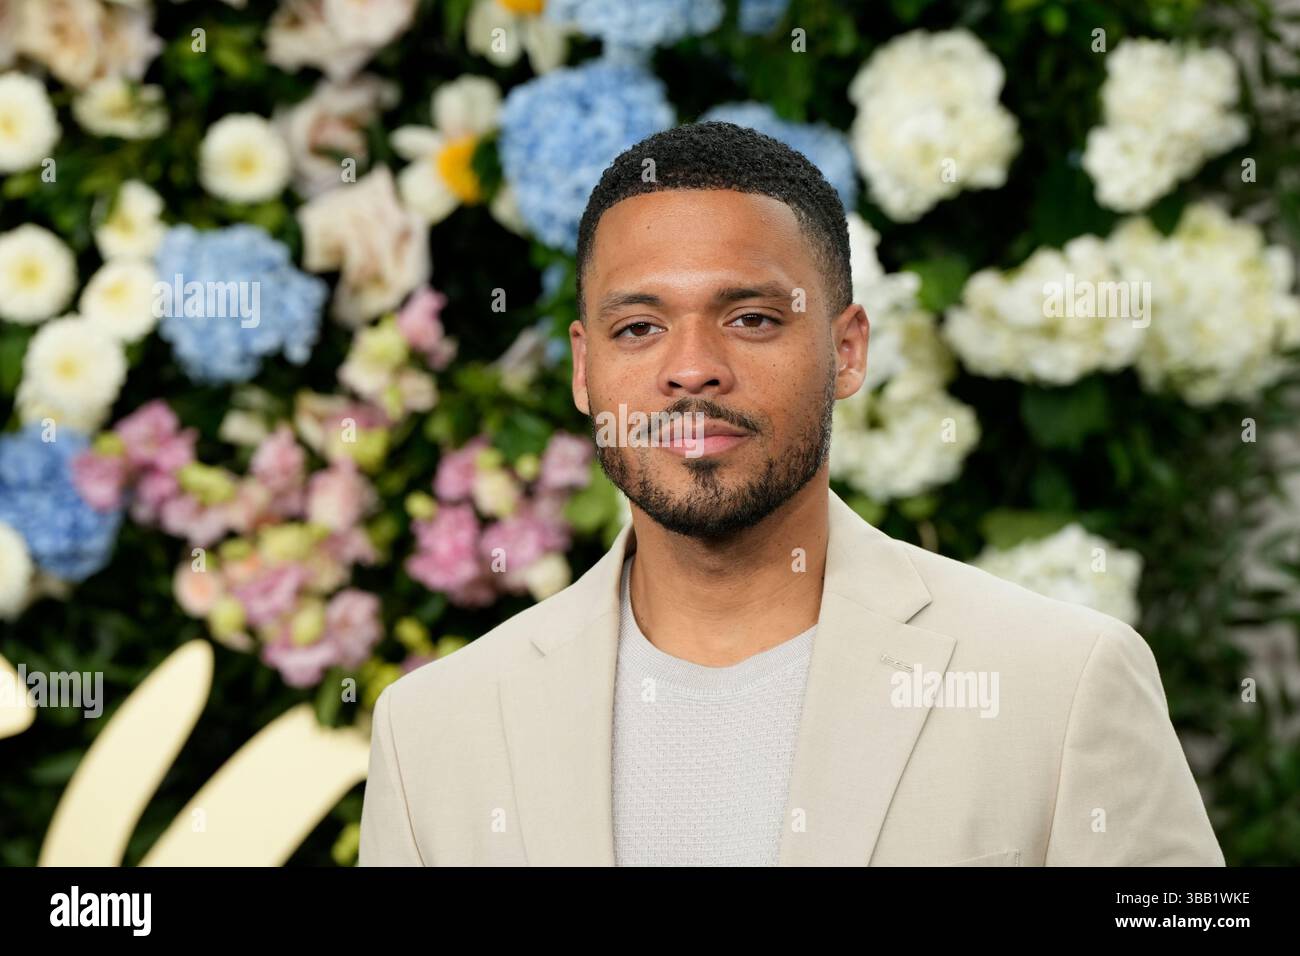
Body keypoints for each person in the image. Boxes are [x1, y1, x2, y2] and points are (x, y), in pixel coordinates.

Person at [358, 121, 1224, 866]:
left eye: (752, 319)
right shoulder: (434, 730)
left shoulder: (1061, 681)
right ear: (586, 370)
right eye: (640, 328)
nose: (693, 368)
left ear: (847, 351)